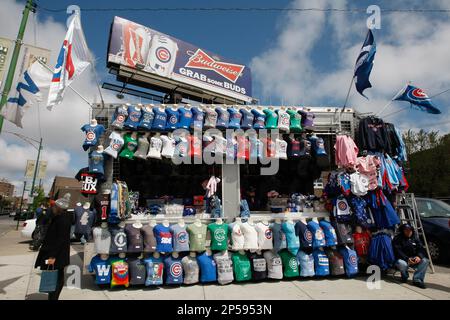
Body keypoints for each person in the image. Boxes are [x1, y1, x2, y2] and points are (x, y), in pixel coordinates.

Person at [34, 193, 72, 300]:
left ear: (59, 208)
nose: (53, 208)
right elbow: (42, 221)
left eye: (54, 206)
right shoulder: (58, 217)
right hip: (56, 253)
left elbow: (60, 239)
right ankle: (52, 296)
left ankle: (53, 297)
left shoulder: (63, 220)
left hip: (57, 255)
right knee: (55, 276)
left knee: (57, 277)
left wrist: (52, 256)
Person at [393, 223, 429, 289]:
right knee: (402, 264)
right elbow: (397, 251)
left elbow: (421, 249)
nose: (408, 232)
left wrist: (419, 256)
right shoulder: (397, 238)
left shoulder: (415, 237)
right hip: (402, 259)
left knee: (425, 261)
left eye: (410, 230)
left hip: (414, 259)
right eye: (406, 230)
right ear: (403, 231)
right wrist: (407, 259)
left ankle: (417, 280)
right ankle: (404, 276)